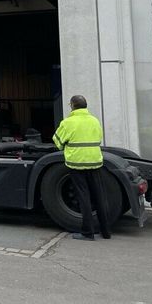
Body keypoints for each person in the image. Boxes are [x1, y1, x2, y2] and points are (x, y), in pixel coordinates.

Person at [53, 95, 111, 241]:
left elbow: (58, 142)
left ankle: (88, 233)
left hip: (77, 163)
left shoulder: (68, 122)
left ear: (72, 105)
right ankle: (106, 232)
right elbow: (98, 138)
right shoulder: (94, 120)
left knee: (84, 197)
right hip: (95, 162)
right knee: (99, 196)